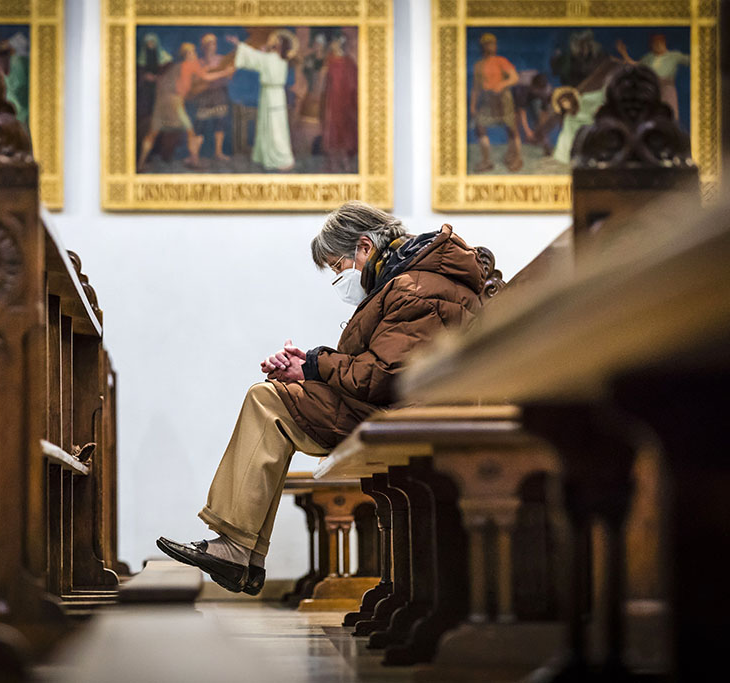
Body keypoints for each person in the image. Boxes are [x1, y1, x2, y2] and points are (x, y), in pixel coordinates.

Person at [156, 201, 488, 594]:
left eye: (336, 266)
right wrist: (306, 366)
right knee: (272, 397)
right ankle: (241, 551)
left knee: (268, 401)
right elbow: (377, 367)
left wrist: (313, 365)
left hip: (408, 411)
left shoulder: (415, 287)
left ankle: (238, 549)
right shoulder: (409, 278)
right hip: (396, 406)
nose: (338, 278)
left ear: (364, 247)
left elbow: (382, 376)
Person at [137, 42, 233, 171]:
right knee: (190, 132)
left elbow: (165, 80)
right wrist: (224, 72)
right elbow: (205, 77)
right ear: (188, 54)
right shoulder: (191, 64)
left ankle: (140, 164)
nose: (195, 54)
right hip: (174, 102)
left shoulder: (177, 66)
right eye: (192, 52)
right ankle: (194, 161)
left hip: (161, 102)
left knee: (152, 133)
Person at [226, 31, 297, 171]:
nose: (271, 42)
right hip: (272, 94)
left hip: (272, 95)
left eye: (275, 41)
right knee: (269, 125)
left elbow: (253, 57)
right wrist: (263, 52)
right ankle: (266, 156)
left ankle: (282, 159)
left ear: (279, 45)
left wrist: (238, 44)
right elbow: (258, 58)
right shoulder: (280, 59)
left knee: (275, 127)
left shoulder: (271, 59)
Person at [470, 33, 523, 172]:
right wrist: (473, 105)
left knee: (511, 128)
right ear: (483, 46)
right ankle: (487, 161)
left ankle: (516, 158)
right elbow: (476, 88)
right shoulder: (478, 65)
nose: (491, 46)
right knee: (480, 126)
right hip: (488, 99)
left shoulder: (501, 61)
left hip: (503, 98)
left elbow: (514, 78)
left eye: (493, 43)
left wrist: (502, 84)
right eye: (488, 44)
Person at [616, 34, 689, 121]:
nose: (657, 46)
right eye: (654, 44)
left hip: (667, 87)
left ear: (664, 43)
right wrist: (624, 53)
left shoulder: (674, 56)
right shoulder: (649, 57)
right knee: (651, 114)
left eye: (659, 43)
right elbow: (635, 65)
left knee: (671, 113)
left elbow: (692, 60)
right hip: (652, 88)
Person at [320, 32, 359, 171]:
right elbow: (324, 81)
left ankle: (345, 162)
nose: (332, 45)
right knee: (331, 130)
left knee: (344, 130)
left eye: (334, 42)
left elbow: (355, 83)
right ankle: (332, 162)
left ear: (339, 44)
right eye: (332, 43)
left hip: (345, 101)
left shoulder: (349, 62)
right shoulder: (329, 60)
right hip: (332, 101)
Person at [192, 34, 233, 162]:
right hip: (204, 95)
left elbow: (229, 75)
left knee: (220, 123)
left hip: (219, 94)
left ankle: (218, 153)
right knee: (200, 126)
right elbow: (199, 79)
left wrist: (229, 72)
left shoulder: (222, 59)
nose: (210, 47)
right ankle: (195, 156)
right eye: (208, 44)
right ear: (203, 47)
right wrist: (219, 73)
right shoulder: (199, 62)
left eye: (213, 44)